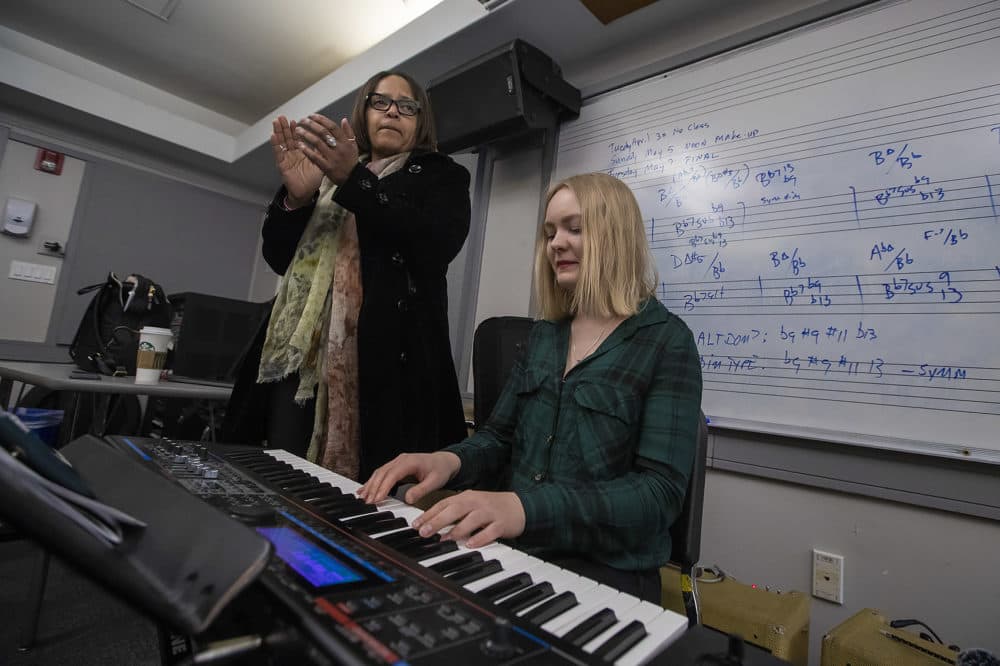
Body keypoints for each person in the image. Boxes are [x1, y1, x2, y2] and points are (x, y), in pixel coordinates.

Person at [359, 172, 703, 602]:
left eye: (575, 228)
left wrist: (524, 508)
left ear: (616, 234)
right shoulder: (545, 336)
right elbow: (498, 437)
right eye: (550, 232)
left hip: (606, 573)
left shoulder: (667, 341)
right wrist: (448, 461)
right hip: (515, 552)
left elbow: (658, 494)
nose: (556, 242)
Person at [224, 71, 470, 482]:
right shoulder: (324, 175)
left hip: (387, 369)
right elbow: (278, 257)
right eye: (381, 102)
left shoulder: (441, 175)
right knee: (284, 483)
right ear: (364, 111)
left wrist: (353, 181)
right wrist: (297, 199)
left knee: (369, 498)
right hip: (301, 363)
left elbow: (434, 243)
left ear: (420, 119)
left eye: (406, 106)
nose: (393, 111)